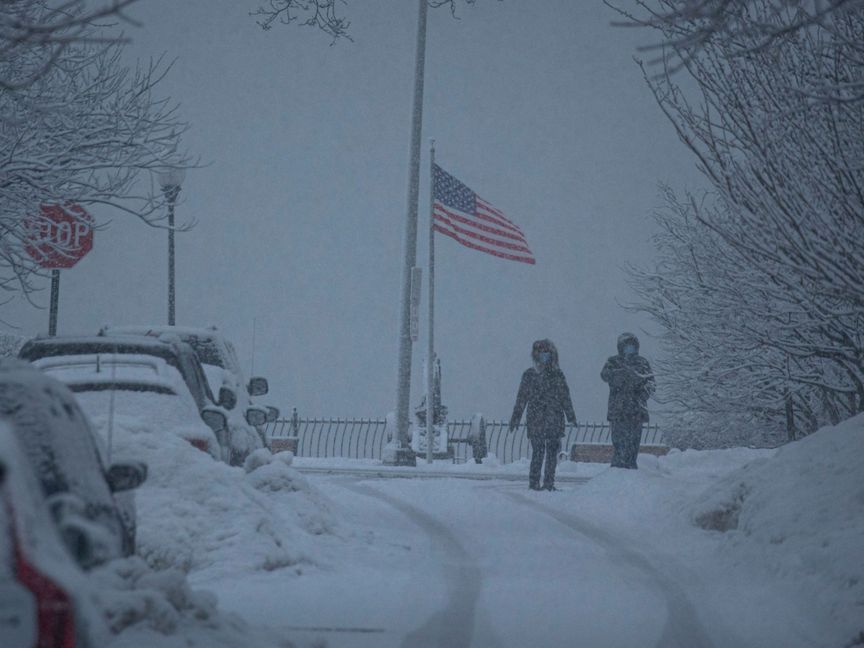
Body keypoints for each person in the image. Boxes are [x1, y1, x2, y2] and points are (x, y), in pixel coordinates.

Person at [509, 339, 576, 491]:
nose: (544, 356)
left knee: (551, 453)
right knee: (538, 453)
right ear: (536, 355)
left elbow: (565, 396)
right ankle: (534, 483)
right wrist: (515, 418)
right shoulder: (530, 375)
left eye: (547, 353)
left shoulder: (557, 375)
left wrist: (571, 416)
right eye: (541, 353)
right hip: (538, 420)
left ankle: (548, 483)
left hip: (551, 419)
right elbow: (521, 398)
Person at [601, 332, 655, 469]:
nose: (629, 349)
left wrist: (640, 396)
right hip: (618, 410)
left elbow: (651, 385)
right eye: (626, 346)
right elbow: (605, 376)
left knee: (633, 443)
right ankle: (617, 469)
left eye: (632, 346)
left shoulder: (642, 362)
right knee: (618, 442)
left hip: (636, 411)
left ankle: (631, 468)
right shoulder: (613, 361)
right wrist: (619, 374)